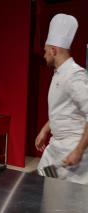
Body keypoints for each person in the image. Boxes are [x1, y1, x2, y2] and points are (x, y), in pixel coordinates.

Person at [35, 14, 88, 184]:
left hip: (73, 152)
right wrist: (44, 130)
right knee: (45, 178)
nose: (44, 55)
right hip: (56, 149)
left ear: (53, 51)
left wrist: (79, 151)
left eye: (45, 51)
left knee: (69, 201)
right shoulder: (59, 73)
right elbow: (62, 110)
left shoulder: (75, 75)